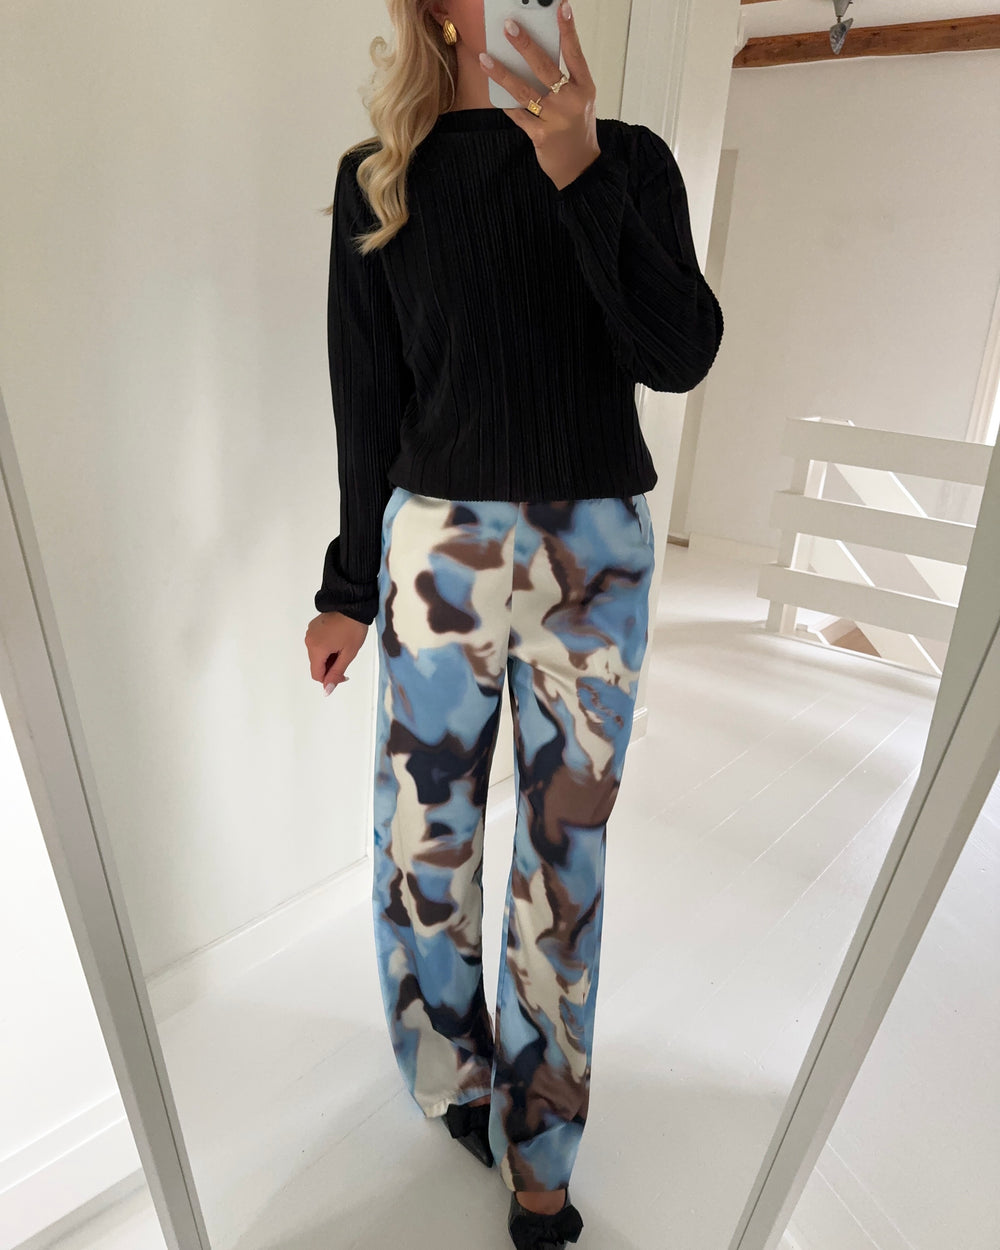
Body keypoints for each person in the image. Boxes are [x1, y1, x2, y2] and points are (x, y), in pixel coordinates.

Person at [303, 3, 724, 1245]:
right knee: (424, 842)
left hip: (595, 560)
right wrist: (345, 587)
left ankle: (541, 1145)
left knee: (563, 859)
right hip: (439, 549)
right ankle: (456, 1076)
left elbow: (681, 353)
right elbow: (366, 398)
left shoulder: (628, 158)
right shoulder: (379, 178)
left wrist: (578, 165)